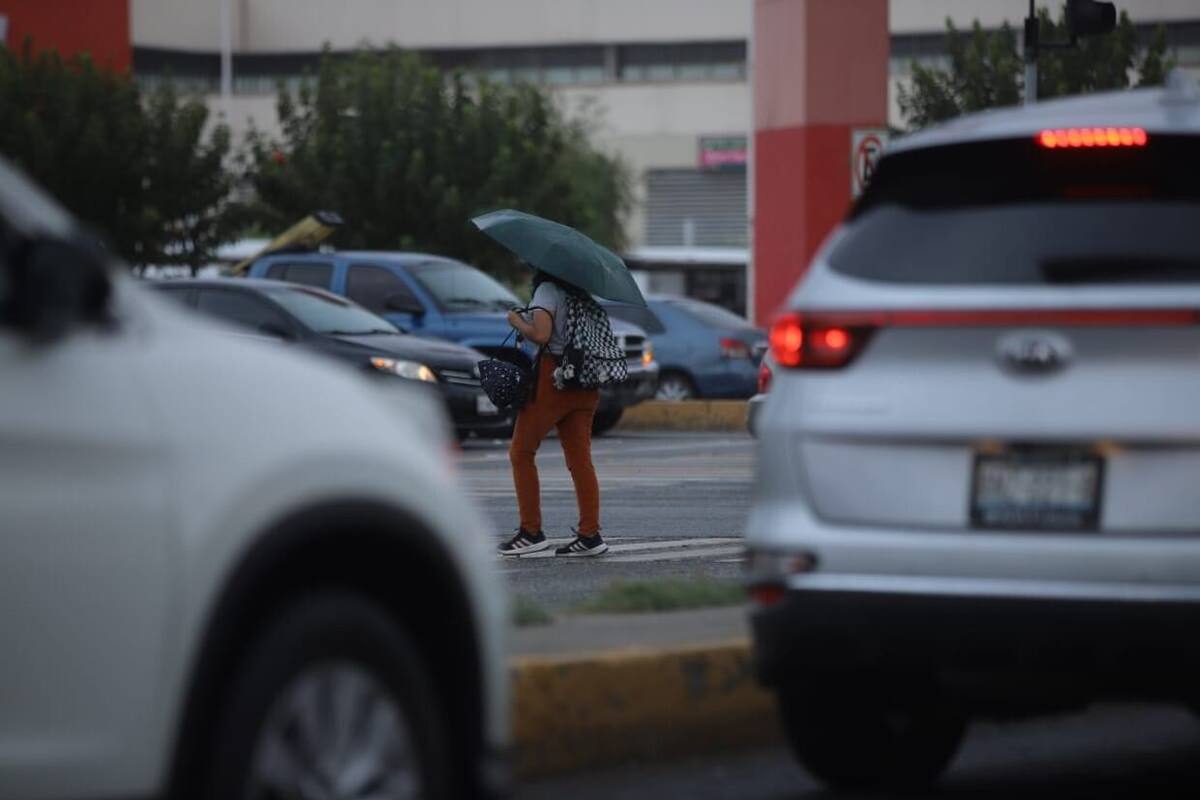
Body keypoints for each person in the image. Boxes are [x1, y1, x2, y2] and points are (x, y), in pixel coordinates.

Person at [498, 270, 608, 557]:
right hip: (585, 381)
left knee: (521, 452)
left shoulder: (547, 290)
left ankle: (531, 532)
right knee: (580, 460)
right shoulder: (582, 294)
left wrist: (516, 321)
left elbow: (541, 334)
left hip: (554, 379)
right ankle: (590, 534)